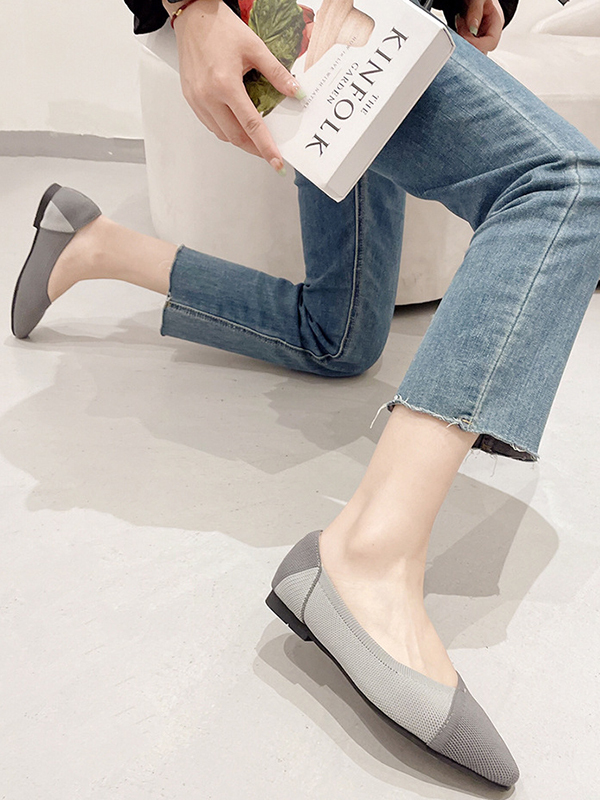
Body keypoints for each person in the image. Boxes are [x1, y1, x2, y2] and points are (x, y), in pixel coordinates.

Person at [11, 0, 598, 788]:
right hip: (297, 14)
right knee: (561, 183)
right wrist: (190, 8)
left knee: (340, 334)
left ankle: (97, 245)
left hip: (378, 35)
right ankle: (369, 556)